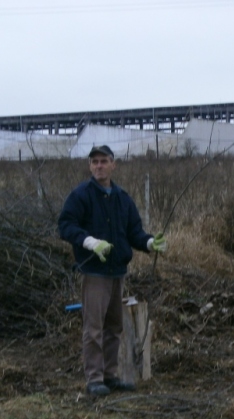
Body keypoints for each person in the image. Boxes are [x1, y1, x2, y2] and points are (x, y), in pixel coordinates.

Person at [58, 145, 167, 397]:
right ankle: (94, 378)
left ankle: (110, 375)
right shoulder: (81, 195)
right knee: (93, 329)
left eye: (104, 161)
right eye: (94, 162)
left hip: (118, 272)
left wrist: (150, 243)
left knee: (114, 328)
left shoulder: (122, 198)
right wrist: (90, 242)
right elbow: (65, 226)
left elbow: (134, 233)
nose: (99, 166)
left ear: (113, 165)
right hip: (94, 273)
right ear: (89, 166)